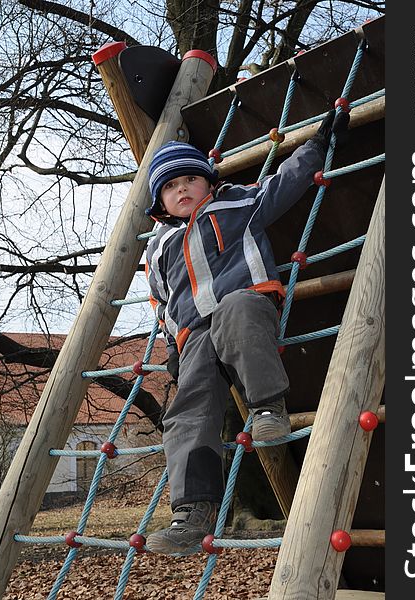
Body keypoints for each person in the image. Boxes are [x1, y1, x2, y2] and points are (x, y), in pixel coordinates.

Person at [144, 109, 349, 555]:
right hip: (194, 334)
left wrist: (315, 146)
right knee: (187, 409)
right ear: (159, 202)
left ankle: (267, 409)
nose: (182, 189)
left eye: (190, 181)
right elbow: (161, 303)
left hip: (245, 301)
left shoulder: (237, 202)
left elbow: (285, 182)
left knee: (238, 312)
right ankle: (192, 511)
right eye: (171, 186)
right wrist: (171, 347)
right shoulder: (157, 247)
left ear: (208, 183)